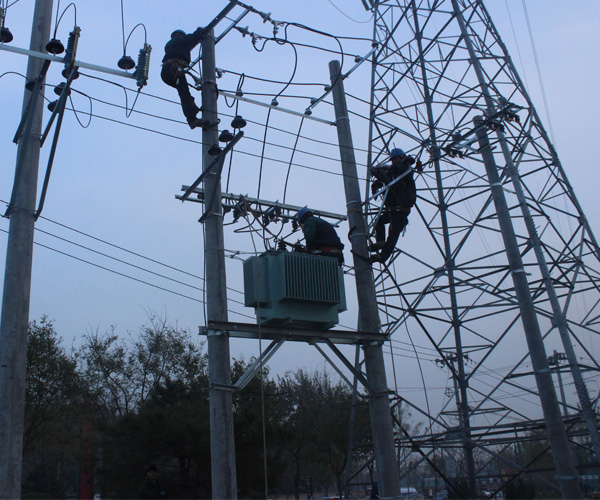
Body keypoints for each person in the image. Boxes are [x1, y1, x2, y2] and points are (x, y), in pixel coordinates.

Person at [369, 148, 417, 263]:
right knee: (379, 221)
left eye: (395, 159)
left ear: (401, 158)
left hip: (401, 210)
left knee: (393, 234)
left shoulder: (406, 170)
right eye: (393, 160)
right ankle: (380, 241)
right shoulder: (394, 175)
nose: (394, 162)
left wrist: (385, 169)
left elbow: (398, 168)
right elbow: (389, 179)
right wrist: (378, 181)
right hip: (392, 209)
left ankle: (382, 256)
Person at [161, 28, 206, 129]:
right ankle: (192, 113)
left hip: (167, 71)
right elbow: (191, 38)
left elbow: (189, 42)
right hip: (173, 68)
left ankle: (192, 118)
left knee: (184, 93)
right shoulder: (179, 40)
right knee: (184, 93)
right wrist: (200, 32)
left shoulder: (171, 45)